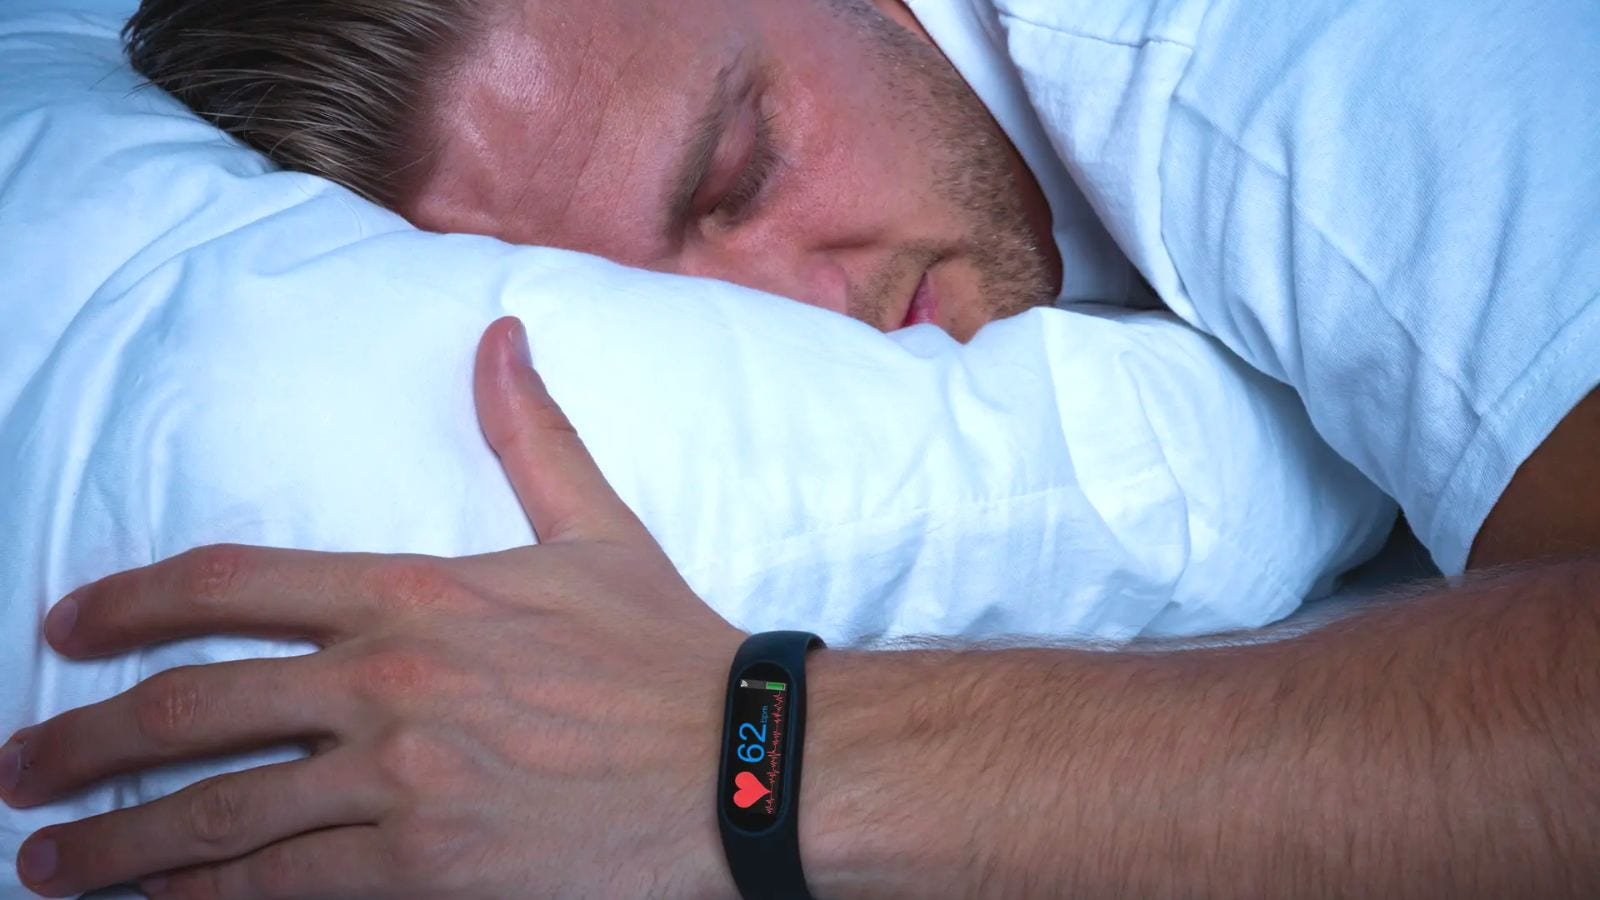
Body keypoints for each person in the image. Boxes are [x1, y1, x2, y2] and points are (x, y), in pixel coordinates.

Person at [2, 0, 1597, 895]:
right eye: (660, 306)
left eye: (738, 172)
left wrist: (757, 759)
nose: (803, 320)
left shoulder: (1243, 51)